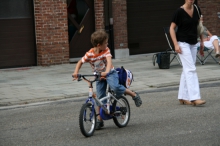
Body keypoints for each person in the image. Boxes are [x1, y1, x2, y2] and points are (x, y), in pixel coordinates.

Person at [72, 30, 142, 129]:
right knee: (100, 98)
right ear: (99, 45)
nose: (107, 44)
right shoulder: (90, 54)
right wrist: (76, 72)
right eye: (106, 43)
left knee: (116, 87)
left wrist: (107, 71)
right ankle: (100, 120)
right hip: (99, 75)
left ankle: (133, 95)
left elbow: (109, 62)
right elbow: (80, 62)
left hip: (110, 73)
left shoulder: (106, 50)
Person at [170, 0, 206, 106]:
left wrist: (202, 41)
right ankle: (195, 97)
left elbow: (199, 26)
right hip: (182, 43)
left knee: (187, 69)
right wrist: (176, 44)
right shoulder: (179, 12)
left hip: (193, 43)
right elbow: (172, 29)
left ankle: (182, 96)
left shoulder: (197, 9)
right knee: (191, 69)